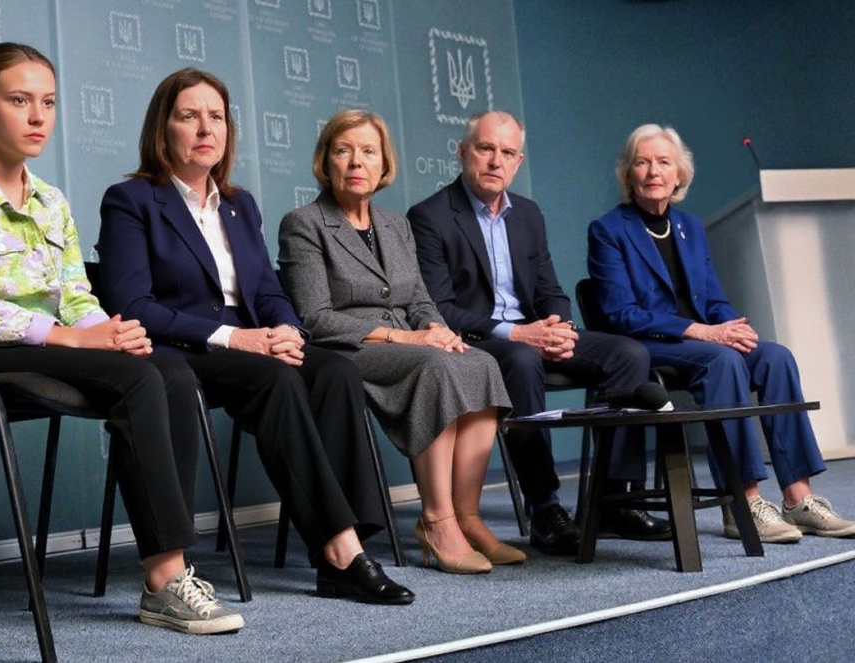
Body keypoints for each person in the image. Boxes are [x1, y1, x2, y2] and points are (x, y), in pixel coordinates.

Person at [0, 43, 243, 635]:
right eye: (19, 101)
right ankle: (165, 580)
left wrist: (106, 331)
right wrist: (69, 339)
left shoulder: (51, 201)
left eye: (48, 103)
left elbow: (76, 293)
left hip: (38, 348)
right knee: (138, 379)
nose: (38, 117)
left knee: (169, 368)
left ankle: (175, 565)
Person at [96, 69, 414, 604]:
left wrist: (287, 329)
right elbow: (133, 307)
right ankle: (340, 551)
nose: (205, 128)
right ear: (163, 129)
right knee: (276, 379)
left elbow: (266, 291)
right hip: (179, 352)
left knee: (334, 370)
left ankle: (350, 537)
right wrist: (232, 338)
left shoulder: (240, 207)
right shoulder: (131, 200)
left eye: (215, 117)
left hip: (252, 345)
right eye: (188, 116)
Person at [407, 111, 671, 555]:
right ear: (463, 152)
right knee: (522, 359)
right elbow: (440, 308)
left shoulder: (527, 214)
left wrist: (559, 327)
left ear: (518, 161)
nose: (495, 161)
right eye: (485, 149)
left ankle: (616, 498)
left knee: (627, 354)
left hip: (534, 334)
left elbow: (550, 290)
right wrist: (518, 334)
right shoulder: (430, 216)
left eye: (506, 153)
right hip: (478, 343)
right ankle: (545, 506)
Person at [587, 123, 855, 543]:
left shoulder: (690, 228)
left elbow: (713, 299)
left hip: (703, 342)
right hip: (649, 347)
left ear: (679, 175)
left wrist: (734, 327)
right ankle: (742, 501)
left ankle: (798, 498)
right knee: (724, 359)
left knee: (774, 356)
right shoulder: (608, 231)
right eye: (642, 162)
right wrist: (702, 332)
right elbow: (621, 314)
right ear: (628, 175)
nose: (653, 171)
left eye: (663, 162)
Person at [279, 109, 516, 575]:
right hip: (348, 349)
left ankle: (468, 516)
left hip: (407, 341)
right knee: (436, 367)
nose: (355, 162)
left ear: (384, 164)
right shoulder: (303, 223)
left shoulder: (395, 225)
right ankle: (437, 520)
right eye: (343, 151)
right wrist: (402, 336)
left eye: (368, 152)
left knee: (481, 362)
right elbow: (314, 318)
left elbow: (421, 301)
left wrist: (437, 330)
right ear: (325, 162)